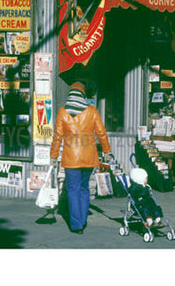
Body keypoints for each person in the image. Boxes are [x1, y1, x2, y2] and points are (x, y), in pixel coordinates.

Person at [50, 81, 111, 234]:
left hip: (71, 159)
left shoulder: (63, 112)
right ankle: (82, 220)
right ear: (83, 95)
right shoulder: (91, 111)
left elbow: (57, 136)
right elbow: (101, 133)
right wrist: (106, 150)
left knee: (73, 190)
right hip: (89, 157)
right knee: (84, 189)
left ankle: (77, 225)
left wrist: (53, 155)